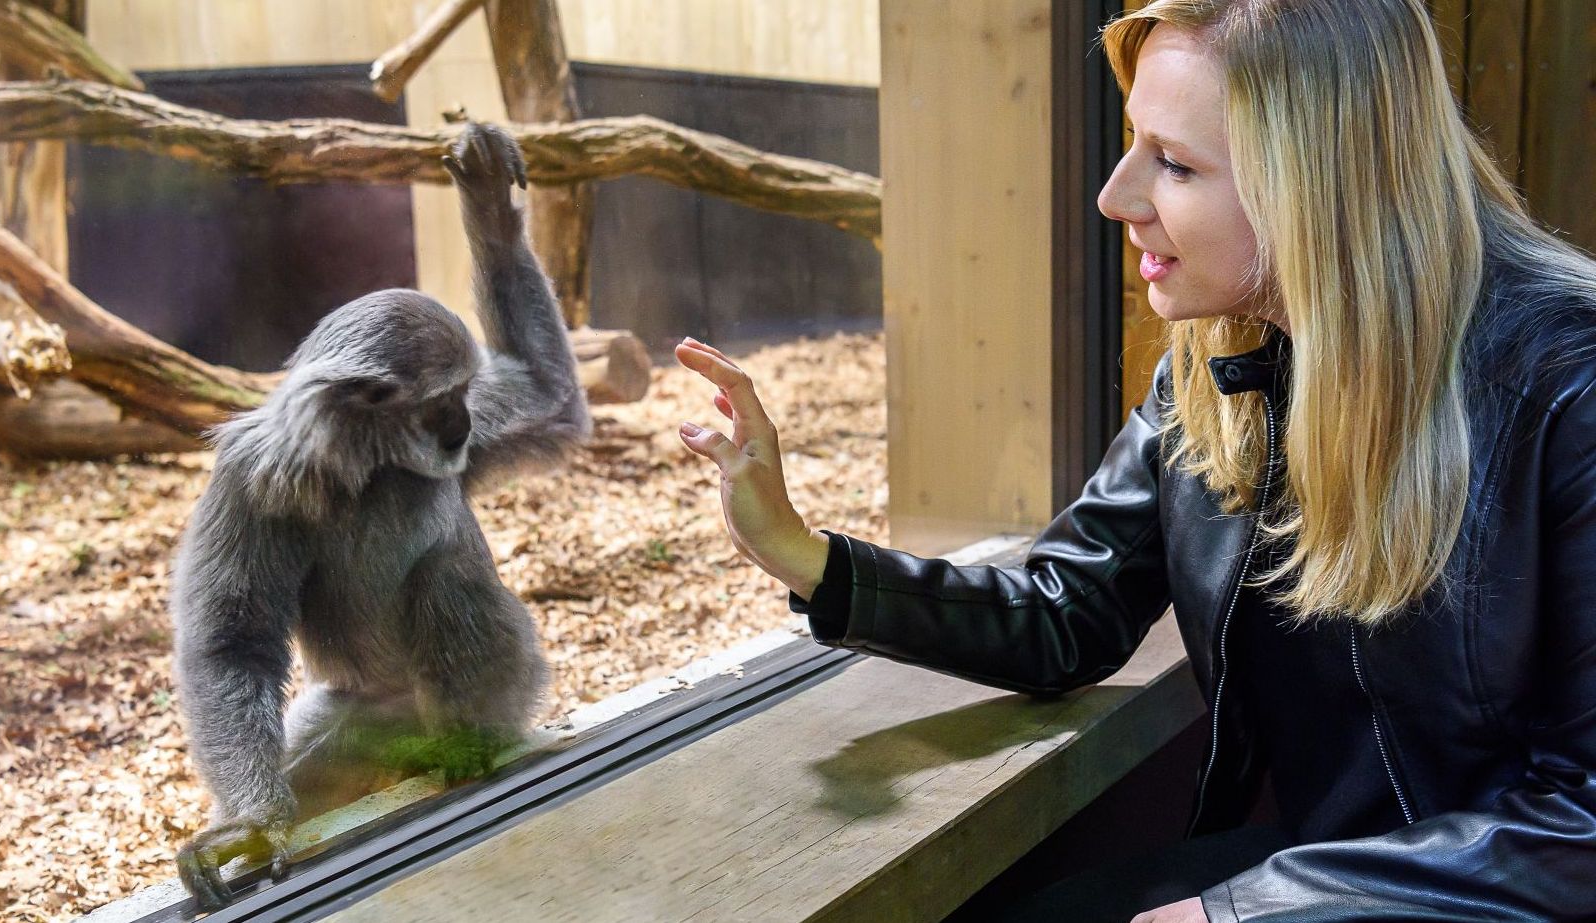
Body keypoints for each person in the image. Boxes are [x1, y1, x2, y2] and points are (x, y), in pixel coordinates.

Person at [675, 0, 1596, 920]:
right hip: (1322, 878)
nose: (1115, 196)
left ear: (1324, 182)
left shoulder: (1571, 394)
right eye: (1131, 143)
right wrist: (802, 554)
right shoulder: (1216, 365)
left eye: (1176, 163)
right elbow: (1065, 611)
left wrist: (1235, 913)